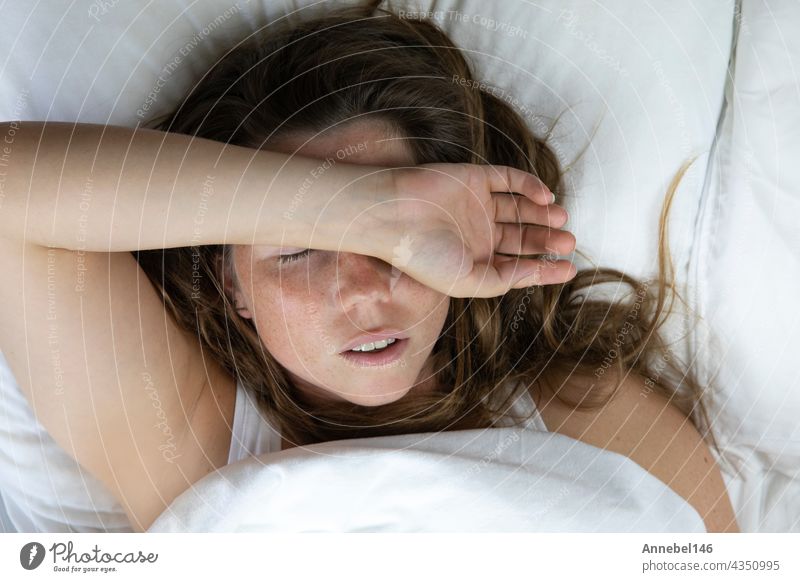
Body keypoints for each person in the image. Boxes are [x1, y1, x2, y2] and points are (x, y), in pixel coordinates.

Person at [0, 1, 737, 532]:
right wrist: (371, 206)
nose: (362, 291)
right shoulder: (193, 436)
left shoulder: (578, 407)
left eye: (394, 246)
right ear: (233, 287)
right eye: (296, 250)